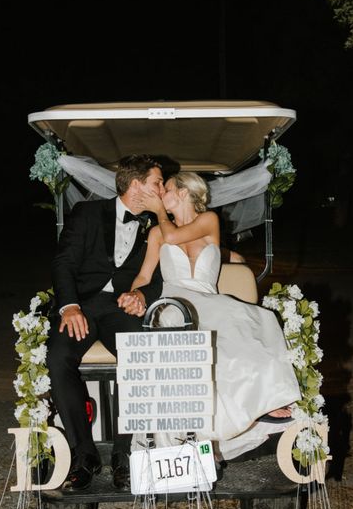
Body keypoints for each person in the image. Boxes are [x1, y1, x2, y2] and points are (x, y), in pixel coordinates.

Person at [118, 171, 300, 462]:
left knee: (258, 320)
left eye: (165, 189)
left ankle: (261, 404)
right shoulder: (156, 234)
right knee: (185, 335)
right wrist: (134, 294)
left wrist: (157, 211)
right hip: (174, 304)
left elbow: (175, 236)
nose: (160, 194)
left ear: (182, 192)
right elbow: (143, 275)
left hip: (208, 298)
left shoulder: (208, 221)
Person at [47, 154, 165, 490]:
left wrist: (142, 295)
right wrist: (69, 306)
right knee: (58, 358)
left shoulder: (155, 227)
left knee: (138, 354)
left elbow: (155, 277)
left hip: (120, 309)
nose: (162, 188)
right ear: (137, 184)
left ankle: (124, 455)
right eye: (157, 182)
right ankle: (83, 454)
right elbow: (63, 262)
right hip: (81, 305)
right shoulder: (87, 213)